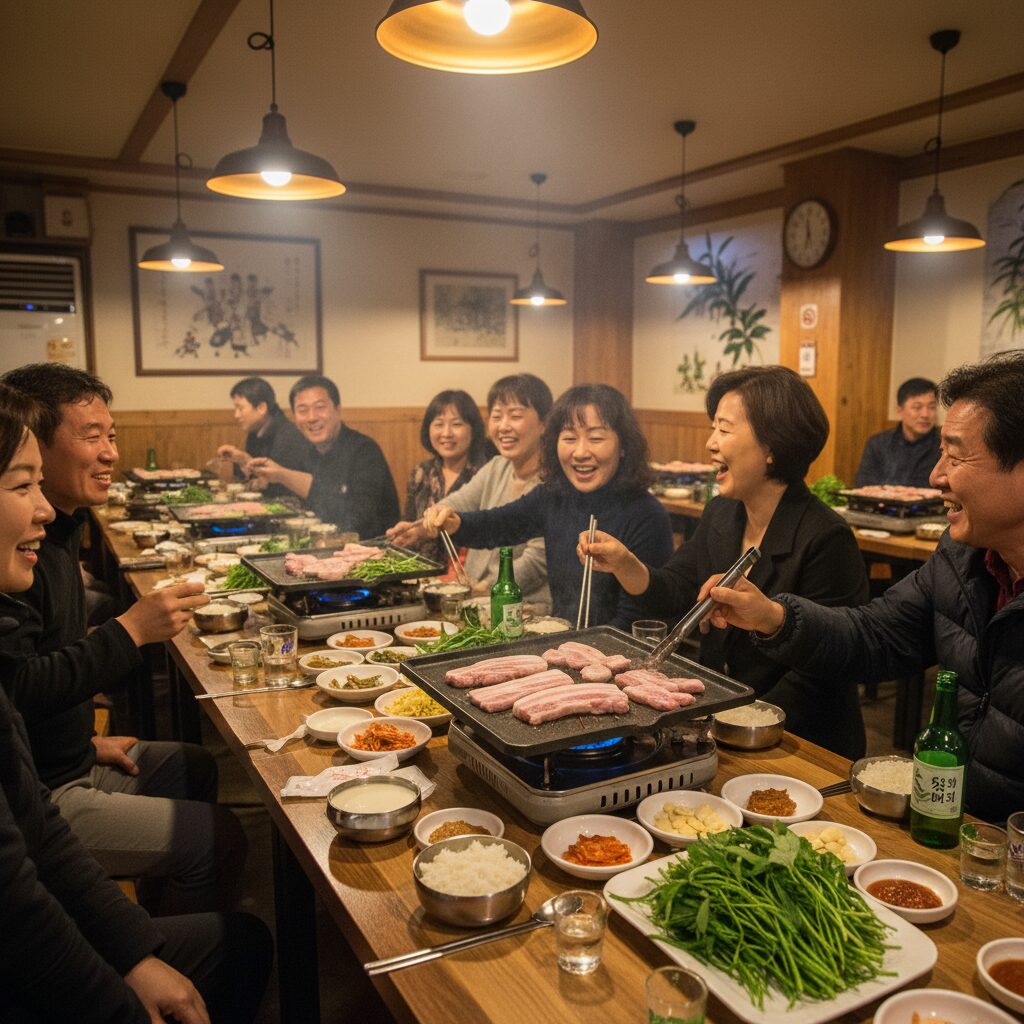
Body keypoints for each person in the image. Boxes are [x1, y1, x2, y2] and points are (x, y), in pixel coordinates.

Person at [0, 384, 272, 1024]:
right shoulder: (28, 562)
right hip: (54, 784)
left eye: (112, 434)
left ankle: (162, 927)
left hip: (57, 762)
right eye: (22, 484)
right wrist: (129, 633)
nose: (109, 452)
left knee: (196, 765)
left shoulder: (53, 540)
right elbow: (20, 886)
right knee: (219, 839)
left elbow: (13, 708)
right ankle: (182, 971)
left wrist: (81, 735)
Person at [699, 352, 1024, 823]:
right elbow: (874, 636)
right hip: (951, 823)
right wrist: (774, 618)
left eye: (955, 456)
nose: (936, 476)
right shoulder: (961, 560)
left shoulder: (825, 532)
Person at [579, 367, 869, 758]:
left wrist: (734, 722)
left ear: (771, 447)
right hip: (728, 729)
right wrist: (625, 564)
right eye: (712, 428)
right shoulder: (721, 513)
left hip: (802, 743)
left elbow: (823, 667)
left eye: (724, 430)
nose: (710, 443)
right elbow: (677, 590)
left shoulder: (826, 536)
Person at [425, 384, 674, 629]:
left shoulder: (646, 515)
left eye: (596, 438)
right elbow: (500, 524)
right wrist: (456, 523)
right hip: (564, 640)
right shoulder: (555, 495)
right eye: (569, 438)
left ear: (623, 447)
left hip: (614, 655)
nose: (580, 452)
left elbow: (636, 619)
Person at [388, 373, 552, 611]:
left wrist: (486, 587)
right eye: (496, 416)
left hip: (525, 603)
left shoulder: (551, 484)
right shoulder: (497, 466)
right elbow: (456, 502)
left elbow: (537, 560)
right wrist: (420, 528)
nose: (503, 426)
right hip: (476, 596)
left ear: (544, 422)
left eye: (515, 416)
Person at [249, 374, 399, 538]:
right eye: (303, 410)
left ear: (338, 410)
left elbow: (358, 520)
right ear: (294, 417)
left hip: (372, 551)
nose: (312, 418)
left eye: (320, 407)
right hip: (318, 549)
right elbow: (287, 503)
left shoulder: (364, 451)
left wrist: (284, 475)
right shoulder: (305, 450)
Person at [400, 389, 492, 564]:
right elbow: (410, 523)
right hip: (422, 574)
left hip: (469, 576)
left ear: (473, 430)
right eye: (438, 424)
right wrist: (407, 533)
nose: (446, 433)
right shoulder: (421, 473)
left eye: (456, 424)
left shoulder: (486, 474)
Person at [215, 376, 310, 497]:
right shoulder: (255, 431)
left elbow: (279, 489)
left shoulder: (288, 437)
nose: (236, 415)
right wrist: (242, 460)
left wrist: (249, 466)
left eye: (240, 408)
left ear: (261, 408)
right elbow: (255, 477)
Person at [854, 376, 941, 488]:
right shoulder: (878, 444)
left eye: (932, 407)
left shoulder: (944, 446)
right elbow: (864, 484)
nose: (925, 414)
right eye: (917, 407)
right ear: (899, 411)